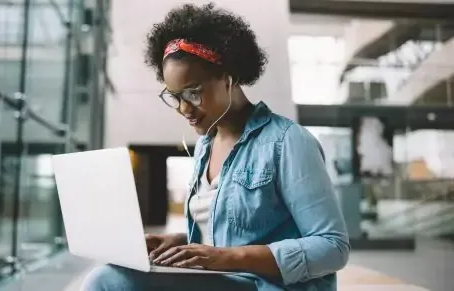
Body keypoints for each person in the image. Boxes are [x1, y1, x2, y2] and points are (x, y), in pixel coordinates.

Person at [82, 3, 349, 291]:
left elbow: (332, 247)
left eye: (193, 93)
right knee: (113, 272)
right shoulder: (205, 147)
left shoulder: (288, 142)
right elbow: (226, 230)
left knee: (108, 282)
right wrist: (179, 241)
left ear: (228, 79)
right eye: (175, 97)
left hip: (265, 286)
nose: (184, 108)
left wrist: (229, 257)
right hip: (222, 282)